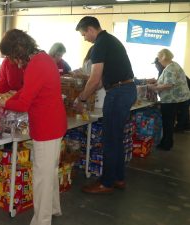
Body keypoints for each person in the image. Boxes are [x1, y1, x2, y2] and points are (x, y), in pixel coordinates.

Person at [0, 29, 67, 225]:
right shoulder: (42, 59)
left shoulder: (36, 64)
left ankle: (42, 220)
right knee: (49, 171)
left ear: (18, 51)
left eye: (10, 56)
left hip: (46, 126)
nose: (12, 61)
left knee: (42, 175)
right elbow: (27, 91)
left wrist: (3, 103)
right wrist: (7, 99)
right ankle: (53, 208)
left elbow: (24, 103)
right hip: (54, 124)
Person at [75, 16, 137, 194]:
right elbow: (101, 81)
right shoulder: (110, 41)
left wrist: (82, 99)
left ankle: (106, 182)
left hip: (118, 93)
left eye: (83, 34)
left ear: (90, 30)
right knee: (116, 138)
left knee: (109, 139)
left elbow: (95, 79)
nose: (84, 38)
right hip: (124, 89)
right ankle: (118, 178)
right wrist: (85, 93)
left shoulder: (100, 45)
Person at [148, 49, 190, 150]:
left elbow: (169, 85)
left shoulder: (171, 68)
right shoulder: (172, 65)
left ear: (163, 57)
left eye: (158, 58)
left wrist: (154, 88)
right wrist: (156, 82)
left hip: (172, 100)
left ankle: (166, 144)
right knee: (169, 122)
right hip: (176, 99)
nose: (158, 60)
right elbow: (166, 81)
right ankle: (166, 142)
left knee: (168, 122)